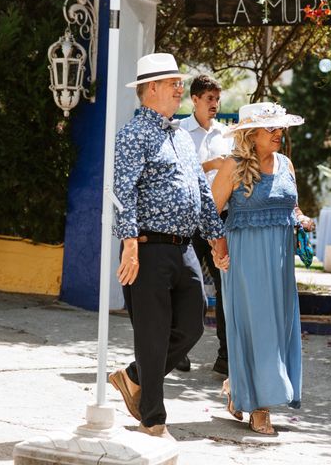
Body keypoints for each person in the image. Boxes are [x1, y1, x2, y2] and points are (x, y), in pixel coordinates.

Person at [108, 53, 228, 439]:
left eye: (180, 82)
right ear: (152, 88)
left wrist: (216, 240)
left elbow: (201, 195)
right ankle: (153, 420)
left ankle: (133, 377)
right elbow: (121, 194)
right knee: (153, 334)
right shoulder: (132, 134)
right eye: (174, 83)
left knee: (193, 324)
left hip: (185, 248)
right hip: (147, 247)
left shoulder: (179, 134)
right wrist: (129, 245)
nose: (181, 88)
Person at [210, 102, 313, 435]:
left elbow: (290, 203)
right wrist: (218, 248)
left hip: (281, 262)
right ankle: (259, 408)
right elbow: (210, 212)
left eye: (280, 127)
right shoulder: (233, 166)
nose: (279, 133)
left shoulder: (286, 164)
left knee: (278, 330)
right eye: (271, 128)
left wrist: (300, 219)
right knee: (259, 330)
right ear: (250, 134)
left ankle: (238, 386)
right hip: (245, 261)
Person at [179, 75, 233, 375]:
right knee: (188, 286)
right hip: (191, 217)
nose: (215, 104)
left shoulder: (226, 134)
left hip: (220, 218)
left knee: (225, 286)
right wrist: (213, 165)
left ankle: (225, 355)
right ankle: (180, 351)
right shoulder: (180, 132)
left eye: (217, 98)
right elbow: (180, 172)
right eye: (209, 98)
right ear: (195, 100)